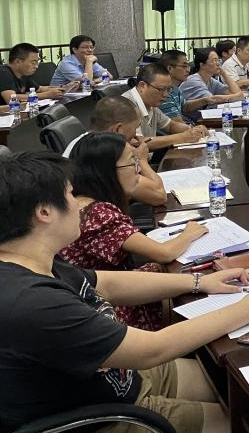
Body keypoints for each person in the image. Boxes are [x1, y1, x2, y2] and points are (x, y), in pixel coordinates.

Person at [0, 152, 249, 433]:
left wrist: (197, 282)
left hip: (110, 384)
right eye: (70, 194)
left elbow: (106, 283)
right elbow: (152, 350)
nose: (78, 205)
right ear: (44, 212)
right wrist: (246, 309)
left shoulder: (15, 258)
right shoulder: (29, 303)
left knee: (235, 385)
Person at [62, 133, 210, 330]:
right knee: (188, 280)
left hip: (95, 296)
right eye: (132, 162)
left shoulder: (82, 201)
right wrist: (189, 232)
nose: (138, 169)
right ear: (106, 171)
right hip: (104, 311)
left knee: (166, 272)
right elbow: (164, 253)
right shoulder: (97, 214)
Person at [64, 97, 168, 206]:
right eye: (135, 128)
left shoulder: (84, 143)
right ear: (117, 129)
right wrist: (141, 159)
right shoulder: (105, 152)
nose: (135, 135)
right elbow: (159, 195)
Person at [123, 64, 207, 150]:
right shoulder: (126, 105)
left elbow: (170, 125)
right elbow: (138, 143)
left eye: (168, 89)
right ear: (142, 86)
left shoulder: (151, 103)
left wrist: (193, 130)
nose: (166, 94)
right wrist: (181, 137)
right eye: (161, 89)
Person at [0, 43, 72, 105]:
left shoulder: (23, 74)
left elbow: (40, 89)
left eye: (37, 62)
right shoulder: (2, 73)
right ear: (18, 62)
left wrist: (64, 88)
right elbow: (11, 98)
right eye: (33, 62)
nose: (36, 66)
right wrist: (47, 95)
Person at [180, 48, 244, 122]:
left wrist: (223, 73)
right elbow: (213, 100)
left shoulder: (211, 80)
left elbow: (239, 95)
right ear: (202, 65)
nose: (218, 64)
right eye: (214, 60)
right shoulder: (194, 81)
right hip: (187, 122)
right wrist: (234, 96)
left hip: (200, 121)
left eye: (218, 60)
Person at [159, 49, 219, 122]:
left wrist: (204, 100)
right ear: (170, 68)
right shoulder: (164, 94)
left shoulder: (175, 88)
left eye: (188, 66)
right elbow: (178, 124)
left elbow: (185, 107)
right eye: (184, 66)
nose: (188, 70)